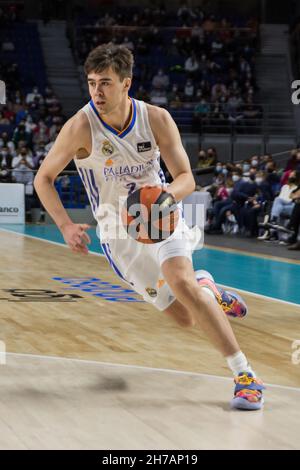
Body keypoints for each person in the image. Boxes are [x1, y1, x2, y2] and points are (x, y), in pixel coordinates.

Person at [34, 44, 264, 410]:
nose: (96, 92)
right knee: (186, 317)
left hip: (161, 216)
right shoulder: (80, 127)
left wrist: (166, 196)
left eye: (105, 83)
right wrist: (64, 226)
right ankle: (207, 288)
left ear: (126, 83)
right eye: (92, 83)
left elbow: (186, 177)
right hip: (117, 234)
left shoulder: (155, 118)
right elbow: (43, 179)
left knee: (181, 282)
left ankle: (244, 375)